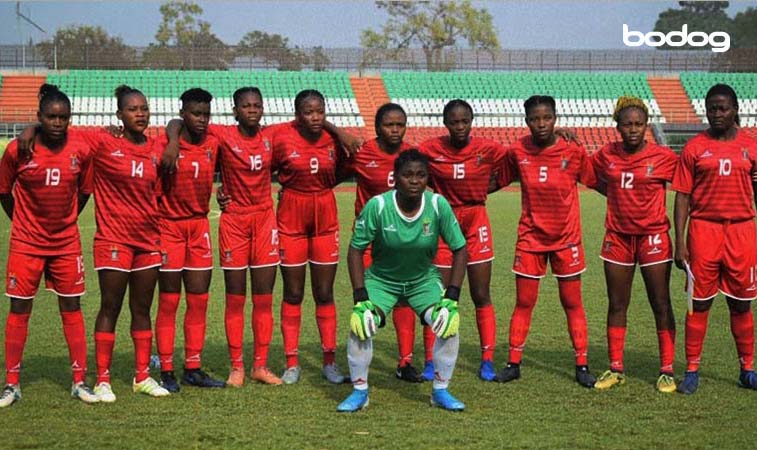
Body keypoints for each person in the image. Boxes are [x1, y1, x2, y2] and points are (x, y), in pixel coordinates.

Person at [163, 87, 283, 387]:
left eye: (257, 105)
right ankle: (237, 367)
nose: (252, 110)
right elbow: (177, 122)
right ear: (235, 110)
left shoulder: (272, 136)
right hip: (234, 224)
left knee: (264, 297)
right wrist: (173, 141)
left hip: (265, 220)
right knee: (235, 298)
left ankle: (260, 365)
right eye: (246, 106)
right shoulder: (221, 135)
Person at [337, 149, 468, 412]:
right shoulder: (379, 205)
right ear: (395, 178)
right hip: (382, 280)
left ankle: (441, 391)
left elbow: (460, 249)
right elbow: (355, 250)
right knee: (362, 323)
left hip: (422, 280)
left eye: (421, 175)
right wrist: (360, 296)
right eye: (407, 175)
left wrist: (452, 295)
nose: (414, 180)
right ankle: (360, 391)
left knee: (447, 323)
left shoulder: (437, 205)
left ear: (427, 179)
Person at [0, 84, 98, 407]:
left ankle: (79, 381)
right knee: (19, 309)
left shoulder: (81, 150)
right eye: (51, 117)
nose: (57, 123)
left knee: (71, 307)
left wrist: (65, 221)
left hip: (66, 243)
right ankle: (11, 383)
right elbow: (3, 191)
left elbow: (84, 192)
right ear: (39, 117)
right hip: (26, 244)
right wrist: (23, 224)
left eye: (63, 117)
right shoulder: (18, 150)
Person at [494, 95, 596, 388]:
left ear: (555, 118)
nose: (541, 124)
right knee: (524, 302)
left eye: (546, 118)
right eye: (535, 119)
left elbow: (594, 180)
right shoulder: (516, 152)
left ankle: (581, 365)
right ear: (526, 121)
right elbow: (496, 180)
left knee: (572, 302)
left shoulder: (573, 150)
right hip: (530, 239)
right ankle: (513, 364)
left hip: (567, 240)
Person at [672, 83, 757, 394]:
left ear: (735, 110)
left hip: (742, 231)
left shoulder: (752, 146)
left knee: (741, 304)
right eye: (712, 108)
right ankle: (692, 370)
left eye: (723, 108)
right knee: (699, 303)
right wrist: (680, 242)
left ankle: (746, 368)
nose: (717, 113)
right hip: (703, 231)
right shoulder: (694, 148)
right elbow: (682, 196)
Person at [337, 103, 431, 383]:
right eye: (389, 125)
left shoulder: (412, 157)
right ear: (378, 127)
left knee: (403, 300)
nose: (395, 130)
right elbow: (331, 175)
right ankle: (360, 371)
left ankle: (405, 362)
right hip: (369, 240)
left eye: (400, 124)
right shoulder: (361, 153)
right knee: (365, 304)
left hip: (400, 241)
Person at [591, 96, 678, 393]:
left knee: (661, 302)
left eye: (638, 124)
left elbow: (688, 184)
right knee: (617, 303)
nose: (633, 130)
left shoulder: (664, 157)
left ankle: (667, 369)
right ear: (617, 126)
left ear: (647, 126)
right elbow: (590, 177)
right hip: (617, 237)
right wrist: (613, 194)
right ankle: (616, 367)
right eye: (627, 124)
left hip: (653, 236)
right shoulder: (606, 154)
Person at [418, 99, 507, 381]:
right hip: (444, 220)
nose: (459, 126)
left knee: (481, 293)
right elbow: (408, 163)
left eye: (464, 121)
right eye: (454, 122)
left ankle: (487, 359)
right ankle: (430, 361)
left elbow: (516, 161)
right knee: (437, 296)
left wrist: (483, 189)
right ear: (445, 124)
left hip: (476, 219)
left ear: (472, 121)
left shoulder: (489, 148)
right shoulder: (430, 148)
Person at [270, 89, 347, 384]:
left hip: (325, 214)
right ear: (297, 114)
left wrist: (321, 188)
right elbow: (264, 168)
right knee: (293, 292)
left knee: (324, 292)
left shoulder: (334, 140)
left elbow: (342, 170)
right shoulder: (281, 137)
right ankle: (292, 362)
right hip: (291, 215)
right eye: (308, 112)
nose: (315, 117)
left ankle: (329, 361)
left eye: (320, 112)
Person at [153, 88, 225, 391]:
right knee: (169, 301)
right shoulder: (166, 144)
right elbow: (171, 127)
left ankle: (192, 367)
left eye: (206, 114)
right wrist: (172, 141)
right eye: (196, 113)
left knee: (199, 300)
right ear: (183, 113)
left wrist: (225, 190)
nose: (202, 119)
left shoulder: (214, 141)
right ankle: (167, 369)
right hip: (168, 228)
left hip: (199, 228)